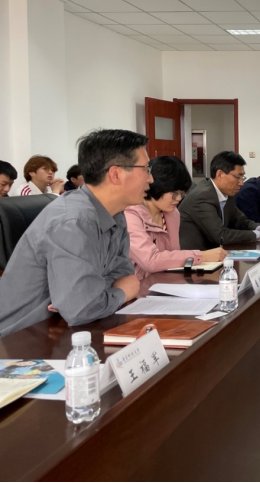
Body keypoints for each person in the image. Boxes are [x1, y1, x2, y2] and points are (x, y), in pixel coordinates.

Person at [0, 129, 151, 337]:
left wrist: (92, 294)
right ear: (116, 174)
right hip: (22, 339)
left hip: (67, 329)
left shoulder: (115, 213)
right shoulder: (74, 221)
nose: (151, 179)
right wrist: (120, 292)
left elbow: (122, 274)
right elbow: (82, 308)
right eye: (146, 169)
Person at [125, 156, 227, 280]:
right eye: (174, 194)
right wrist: (201, 256)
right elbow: (151, 260)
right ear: (157, 187)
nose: (178, 199)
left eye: (182, 194)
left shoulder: (172, 214)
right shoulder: (131, 215)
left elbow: (173, 256)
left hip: (164, 282)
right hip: (137, 285)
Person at [179, 151, 260, 251]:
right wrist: (258, 235)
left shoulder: (227, 193)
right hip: (196, 257)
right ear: (220, 174)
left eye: (242, 177)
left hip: (217, 253)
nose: (241, 183)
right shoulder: (202, 197)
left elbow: (241, 220)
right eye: (238, 177)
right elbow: (220, 235)